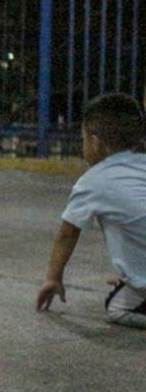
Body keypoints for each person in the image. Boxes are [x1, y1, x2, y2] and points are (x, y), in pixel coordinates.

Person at [36, 93, 146, 329]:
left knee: (116, 307)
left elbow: (67, 234)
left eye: (83, 139)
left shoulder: (93, 181)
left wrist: (53, 278)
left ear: (96, 143)